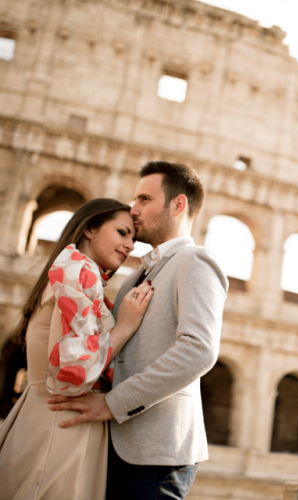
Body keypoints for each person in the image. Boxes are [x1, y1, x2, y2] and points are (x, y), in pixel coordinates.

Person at [48, 161, 229, 499]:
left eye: (145, 199)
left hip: (157, 450)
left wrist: (113, 404)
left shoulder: (196, 261)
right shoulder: (134, 275)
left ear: (178, 205)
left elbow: (199, 350)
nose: (134, 210)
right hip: (117, 442)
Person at [0, 198, 154, 500]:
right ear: (89, 229)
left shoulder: (73, 271)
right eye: (122, 232)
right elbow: (75, 369)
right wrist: (125, 327)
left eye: (133, 238)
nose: (130, 245)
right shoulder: (79, 271)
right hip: (60, 429)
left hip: (50, 423)